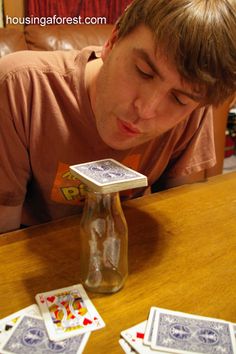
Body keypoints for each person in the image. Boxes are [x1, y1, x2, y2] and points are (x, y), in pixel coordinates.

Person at [0, 0, 235, 233]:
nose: (145, 110)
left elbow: (179, 218)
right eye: (143, 72)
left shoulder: (192, 110)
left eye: (178, 100)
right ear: (113, 40)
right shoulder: (19, 86)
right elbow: (5, 240)